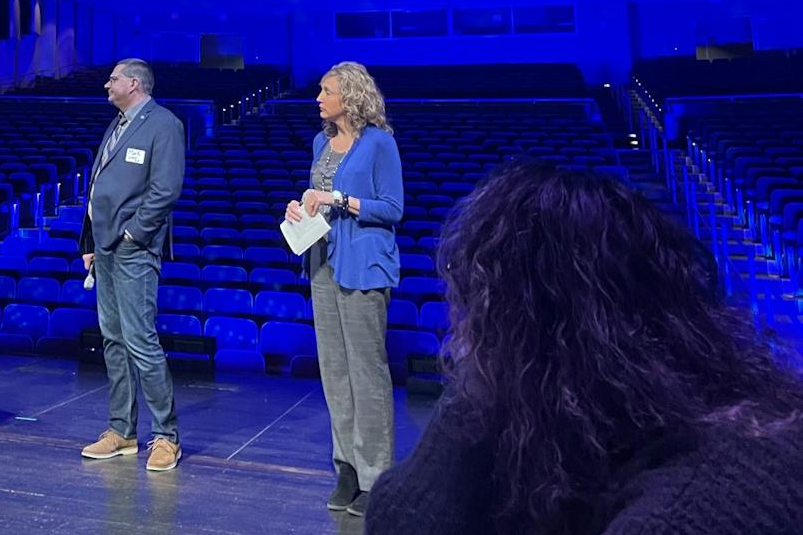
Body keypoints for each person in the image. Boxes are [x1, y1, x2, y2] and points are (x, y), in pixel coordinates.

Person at [366, 162, 803, 535]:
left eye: (474, 319)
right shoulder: (673, 421)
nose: (458, 339)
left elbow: (400, 520)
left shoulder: (681, 513)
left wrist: (486, 379)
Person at [286, 61, 402, 517]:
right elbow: (319, 194)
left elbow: (392, 208)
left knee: (367, 375)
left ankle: (376, 477)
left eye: (326, 90)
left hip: (365, 266)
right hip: (322, 265)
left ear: (349, 97)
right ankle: (347, 469)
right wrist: (302, 206)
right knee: (335, 374)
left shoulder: (379, 143)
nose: (318, 98)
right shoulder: (321, 142)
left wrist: (337, 199)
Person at [78, 58, 186, 472]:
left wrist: (132, 235)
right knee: (114, 340)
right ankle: (121, 430)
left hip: (134, 249)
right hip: (104, 248)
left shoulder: (164, 124)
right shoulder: (118, 124)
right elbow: (97, 187)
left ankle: (166, 436)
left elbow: (165, 190)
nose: (107, 84)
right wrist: (91, 240)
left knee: (140, 340)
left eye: (114, 79)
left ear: (135, 84)